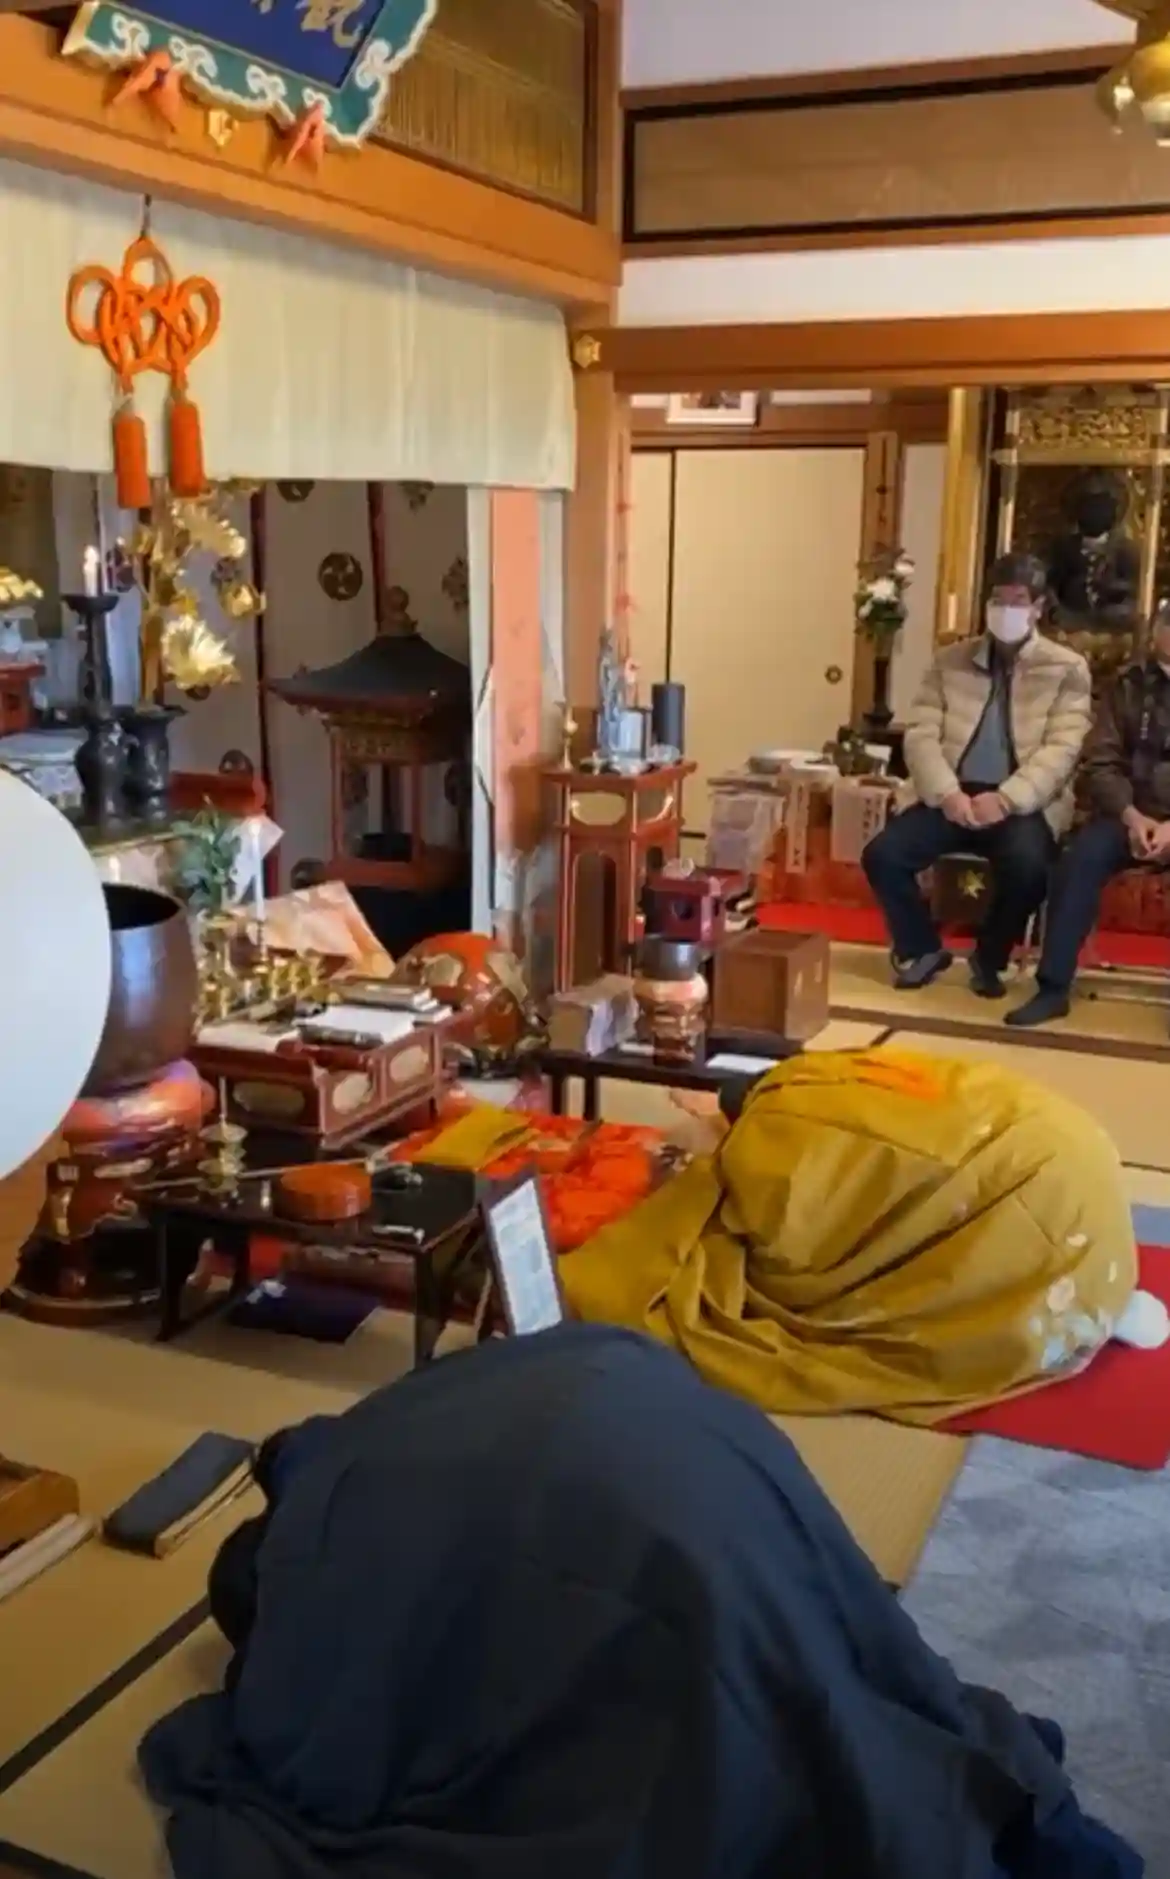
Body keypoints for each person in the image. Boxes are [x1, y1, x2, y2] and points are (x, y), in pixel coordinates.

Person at [140, 1324, 1143, 1879]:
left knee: (740, 1753)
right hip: (704, 1462)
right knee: (827, 1674)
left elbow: (319, 1739)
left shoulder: (344, 1571)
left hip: (655, 1521)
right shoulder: (382, 1436)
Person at [559, 1047, 1167, 1423]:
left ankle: (1086, 1300)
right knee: (959, 1199)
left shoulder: (768, 1144)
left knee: (765, 1288)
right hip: (1074, 1158)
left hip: (1041, 1208)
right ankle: (1103, 1291)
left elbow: (794, 1249)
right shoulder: (808, 1076)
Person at [862, 553, 1092, 995]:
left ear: (1038, 607)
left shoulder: (1065, 668)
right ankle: (920, 947)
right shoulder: (950, 661)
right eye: (997, 600)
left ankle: (990, 957)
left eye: (1018, 601)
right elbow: (921, 735)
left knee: (1030, 868)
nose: (1006, 610)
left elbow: (1063, 749)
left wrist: (1006, 799)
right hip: (952, 795)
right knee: (883, 856)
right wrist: (947, 794)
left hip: (1021, 802)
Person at [1008, 601, 1170, 1027]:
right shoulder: (1127, 685)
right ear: (1155, 631)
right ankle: (1053, 987)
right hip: (1127, 815)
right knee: (1078, 860)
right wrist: (1131, 816)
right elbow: (1101, 761)